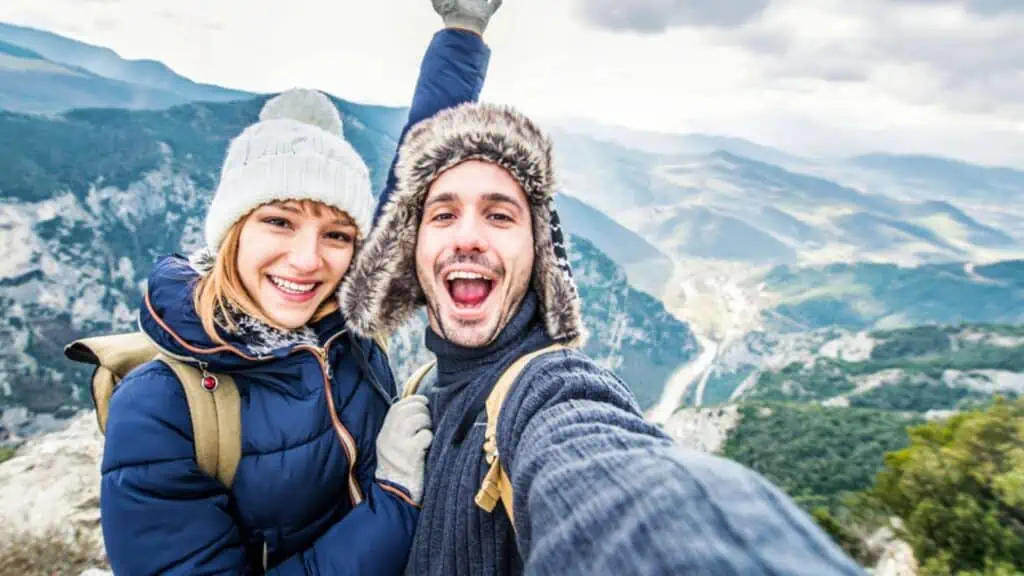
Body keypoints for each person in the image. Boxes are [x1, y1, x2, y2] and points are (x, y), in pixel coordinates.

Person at [340, 102, 869, 575]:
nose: (469, 237)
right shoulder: (420, 388)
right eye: (444, 214)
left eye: (500, 215)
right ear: (413, 248)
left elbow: (617, 484)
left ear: (538, 250)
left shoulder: (542, 389)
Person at [96, 2, 502, 574]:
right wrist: (394, 500)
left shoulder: (343, 316)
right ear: (232, 230)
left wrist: (462, 33)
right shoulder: (162, 411)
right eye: (279, 221)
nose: (309, 260)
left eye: (337, 234)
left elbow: (417, 173)